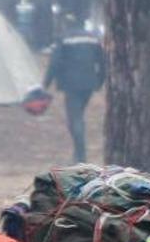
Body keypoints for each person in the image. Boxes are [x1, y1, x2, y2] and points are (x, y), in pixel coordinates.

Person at [42, 17, 106, 163]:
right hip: (89, 83)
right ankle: (79, 153)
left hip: (71, 84)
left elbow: (55, 62)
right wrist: (100, 81)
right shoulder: (93, 39)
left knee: (74, 119)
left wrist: (45, 84)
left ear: (66, 24)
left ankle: (80, 155)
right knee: (78, 116)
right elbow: (103, 61)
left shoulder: (64, 38)